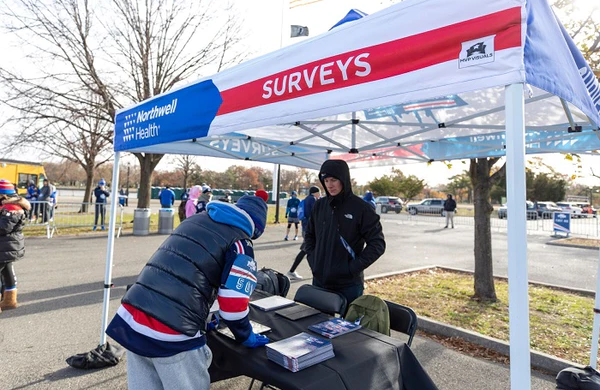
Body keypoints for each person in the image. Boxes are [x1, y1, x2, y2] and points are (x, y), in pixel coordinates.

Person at [106, 191, 270, 390]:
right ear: (256, 228)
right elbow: (233, 307)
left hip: (134, 316)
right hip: (172, 331)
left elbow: (181, 270)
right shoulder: (241, 242)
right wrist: (246, 335)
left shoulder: (194, 221)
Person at [304, 160, 386, 308]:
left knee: (348, 329)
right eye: (326, 180)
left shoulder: (361, 208)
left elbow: (377, 244)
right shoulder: (320, 205)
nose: (330, 185)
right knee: (315, 325)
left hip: (348, 285)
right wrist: (313, 259)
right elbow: (309, 235)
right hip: (320, 280)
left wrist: (351, 268)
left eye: (334, 180)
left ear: (343, 179)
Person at [0, 179, 31, 312]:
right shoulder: (8, 206)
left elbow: (3, 228)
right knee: (7, 271)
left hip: (6, 246)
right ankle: (9, 300)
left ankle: (8, 300)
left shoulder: (12, 208)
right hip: (8, 246)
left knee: (6, 272)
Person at [287, 186, 321, 280]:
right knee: (307, 250)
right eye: (319, 193)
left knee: (307, 250)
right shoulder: (313, 200)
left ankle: (293, 271)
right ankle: (292, 271)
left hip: (305, 227)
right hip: (311, 230)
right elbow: (315, 214)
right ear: (316, 193)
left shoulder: (306, 199)